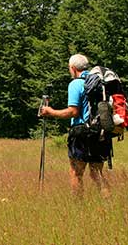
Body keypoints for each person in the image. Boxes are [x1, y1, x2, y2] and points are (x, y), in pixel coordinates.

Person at [40, 54, 110, 196]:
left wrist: (50, 111)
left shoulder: (75, 84)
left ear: (73, 68)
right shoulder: (98, 82)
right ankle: (109, 202)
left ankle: (78, 207)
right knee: (96, 172)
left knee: (76, 173)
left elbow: (73, 112)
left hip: (81, 133)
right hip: (99, 131)